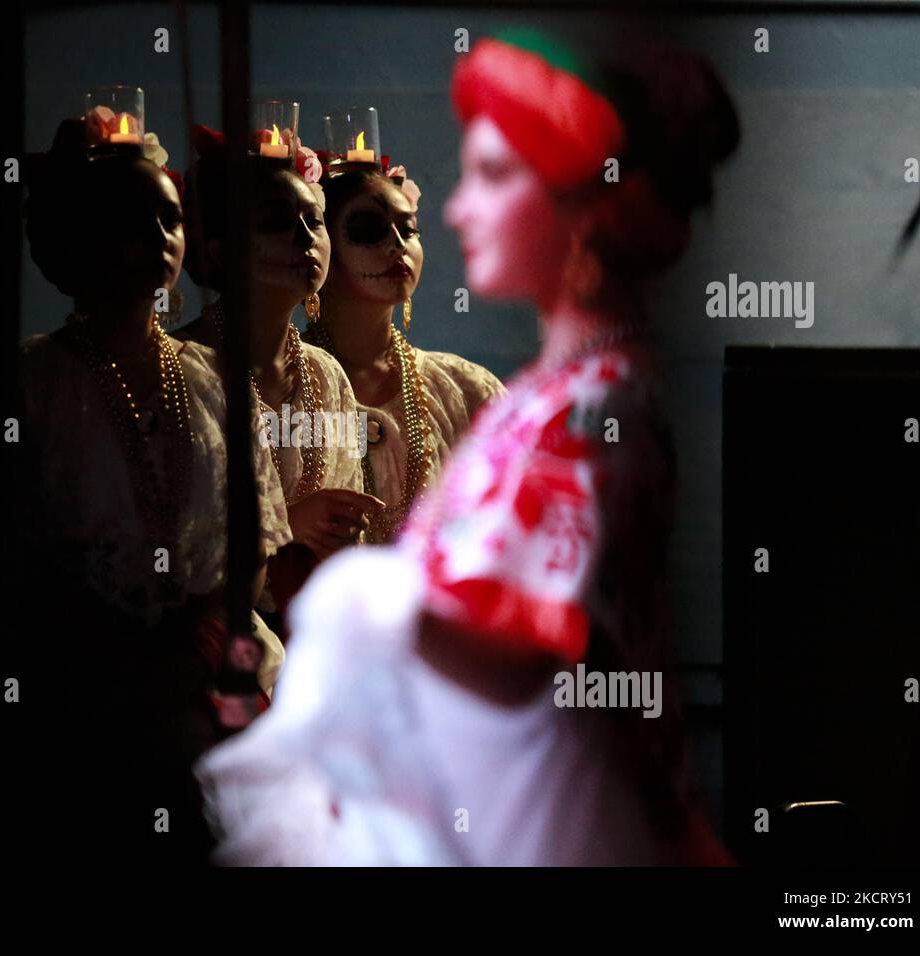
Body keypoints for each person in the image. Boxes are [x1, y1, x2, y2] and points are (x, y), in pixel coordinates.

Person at [196, 30, 739, 866]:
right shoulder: (539, 400)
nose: (447, 216)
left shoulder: (582, 407)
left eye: (491, 176)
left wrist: (363, 610)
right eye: (371, 228)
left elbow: (545, 648)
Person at [12, 118, 291, 862]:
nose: (160, 236)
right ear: (74, 241)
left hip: (207, 666)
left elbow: (253, 528)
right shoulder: (35, 383)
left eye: (170, 218)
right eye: (132, 220)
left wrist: (200, 639)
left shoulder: (210, 375)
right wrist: (123, 658)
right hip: (85, 674)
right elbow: (19, 545)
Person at [175, 126, 383, 628]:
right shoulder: (186, 367)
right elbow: (173, 542)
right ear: (222, 251)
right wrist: (287, 528)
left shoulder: (325, 374)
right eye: (275, 222)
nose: (304, 238)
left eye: (314, 221)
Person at [304, 159, 505, 542]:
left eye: (408, 229)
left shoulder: (466, 391)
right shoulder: (286, 387)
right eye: (368, 230)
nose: (397, 244)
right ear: (322, 244)